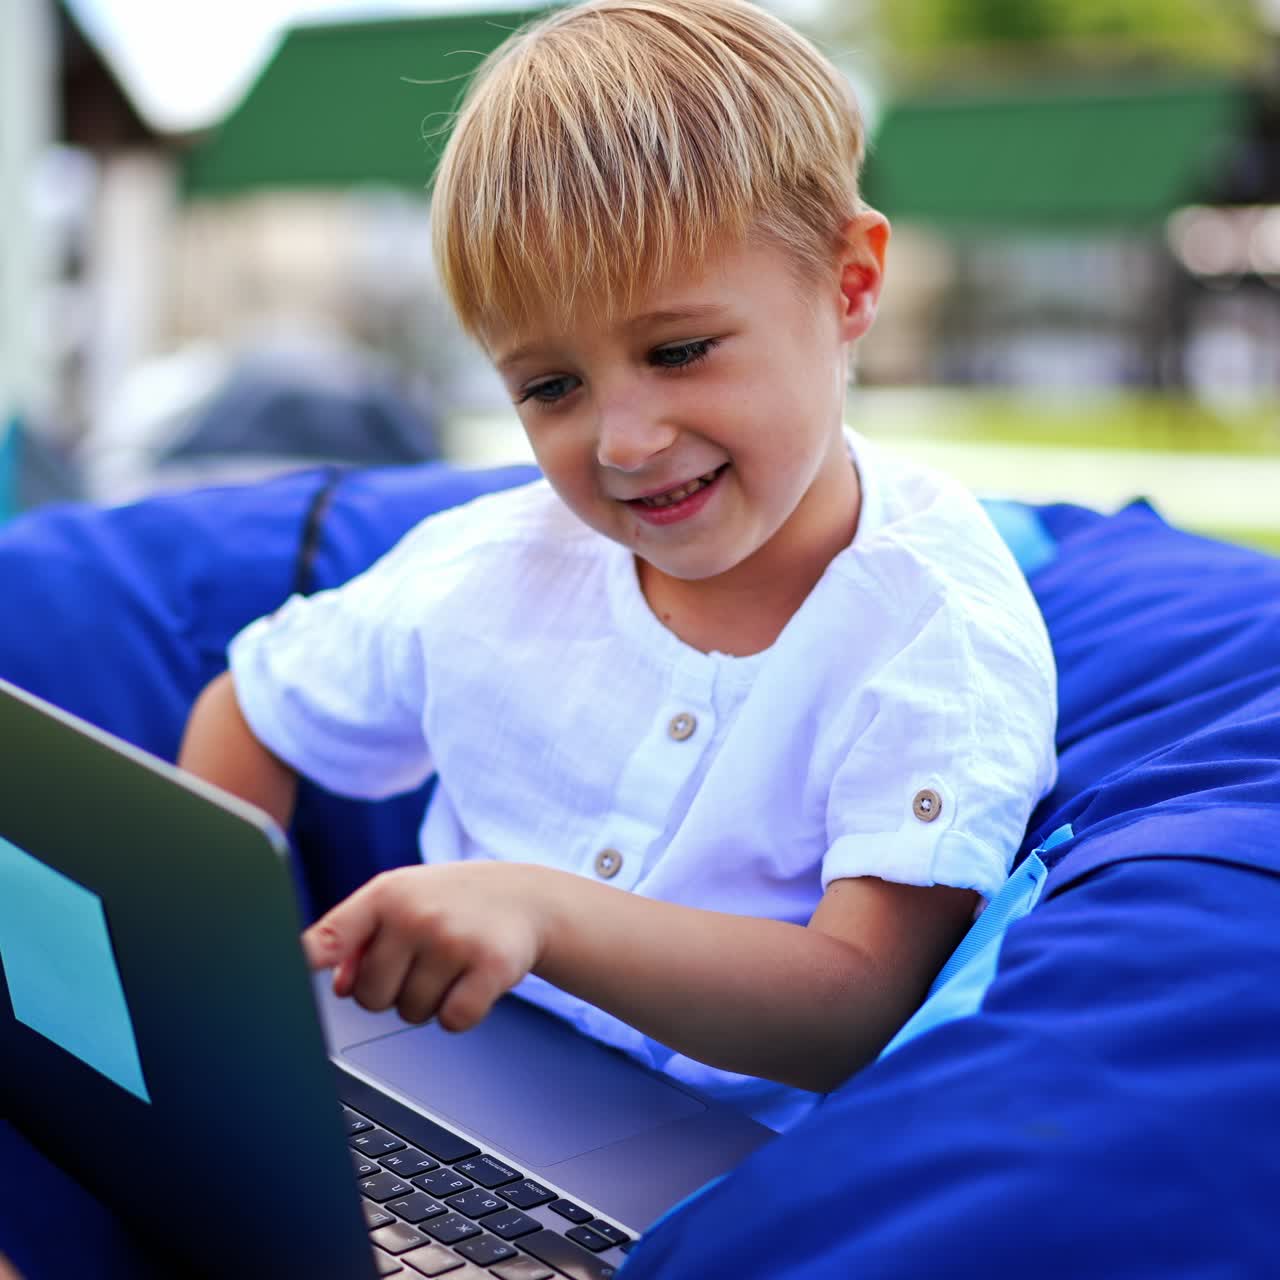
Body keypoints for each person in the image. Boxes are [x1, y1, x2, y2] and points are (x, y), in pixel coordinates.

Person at [178, 0, 1056, 1131]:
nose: (623, 441)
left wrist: (539, 912)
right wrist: (225, 1008)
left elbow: (856, 1001)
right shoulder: (488, 563)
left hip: (725, 1180)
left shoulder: (935, 629)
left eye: (677, 350)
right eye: (550, 387)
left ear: (847, 283)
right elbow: (250, 710)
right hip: (439, 1093)